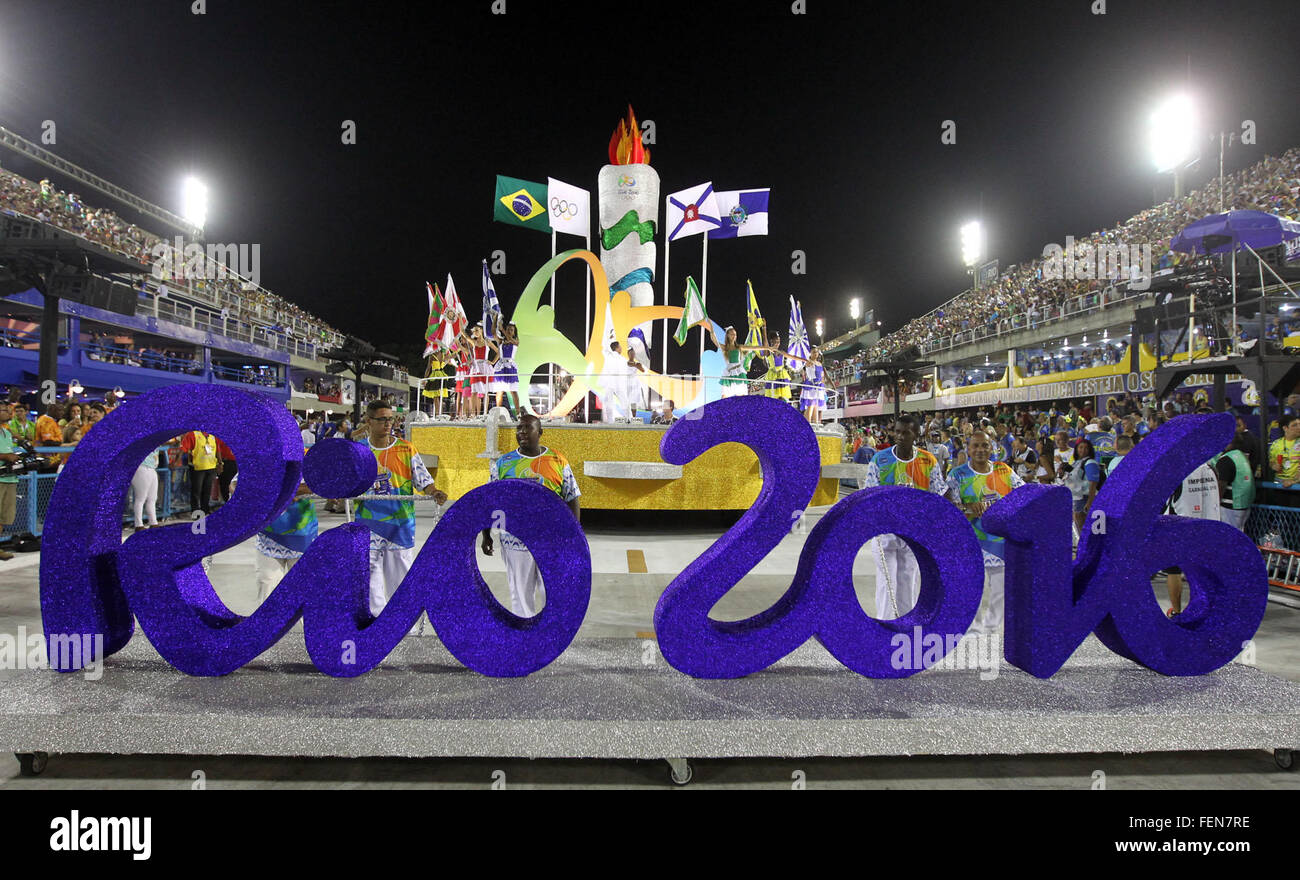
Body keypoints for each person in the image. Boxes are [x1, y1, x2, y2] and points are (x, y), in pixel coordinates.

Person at [480, 413, 581, 617]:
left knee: (552, 593)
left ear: (540, 432)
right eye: (519, 428)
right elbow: (490, 500)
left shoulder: (557, 461)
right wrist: (486, 534)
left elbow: (572, 498)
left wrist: (574, 536)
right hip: (515, 540)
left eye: (528, 428)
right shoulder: (503, 464)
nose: (522, 432)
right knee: (520, 597)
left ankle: (550, 637)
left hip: (550, 541)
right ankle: (525, 643)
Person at [353, 401, 446, 617]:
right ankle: (375, 625)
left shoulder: (406, 448)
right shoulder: (360, 451)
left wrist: (434, 491)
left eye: (390, 418)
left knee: (401, 581)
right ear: (369, 422)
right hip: (368, 526)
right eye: (382, 419)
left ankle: (405, 627)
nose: (388, 424)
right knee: (369, 581)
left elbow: (423, 479)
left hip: (400, 526)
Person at [863, 415, 947, 619]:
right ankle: (885, 627)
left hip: (915, 535)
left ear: (916, 434)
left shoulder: (928, 461)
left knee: (908, 581)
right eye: (897, 431)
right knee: (888, 582)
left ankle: (906, 626)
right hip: (886, 533)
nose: (900, 436)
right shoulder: (880, 460)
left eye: (905, 432)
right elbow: (869, 497)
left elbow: (937, 497)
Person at [946, 430, 1025, 635]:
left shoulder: (1004, 471)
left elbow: (1022, 497)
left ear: (992, 448)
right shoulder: (957, 475)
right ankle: (973, 628)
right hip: (971, 541)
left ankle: (990, 629)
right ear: (968, 449)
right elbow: (949, 508)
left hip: (1000, 542)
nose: (980, 450)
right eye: (976, 446)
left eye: (985, 446)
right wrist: (969, 506)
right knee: (973, 588)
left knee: (1000, 589)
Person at [1164, 449, 1222, 617]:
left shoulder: (1178, 473)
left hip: (1180, 528)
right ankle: (1203, 611)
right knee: (1200, 572)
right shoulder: (1211, 469)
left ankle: (1176, 611)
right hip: (1207, 527)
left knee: (1174, 571)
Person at [254, 464, 319, 602]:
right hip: (269, 539)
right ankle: (268, 623)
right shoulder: (261, 461)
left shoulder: (306, 461)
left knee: (304, 592)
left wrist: (284, 490)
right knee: (266, 587)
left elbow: (317, 484)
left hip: (303, 539)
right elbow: (236, 483)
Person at [1216, 432, 1255, 532]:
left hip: (1230, 506)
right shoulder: (1241, 456)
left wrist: (1214, 504)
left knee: (1228, 537)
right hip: (1244, 505)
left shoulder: (1226, 459)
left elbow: (1221, 485)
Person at [180, 429, 221, 516]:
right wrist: (177, 461)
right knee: (196, 491)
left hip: (211, 467)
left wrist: (220, 463)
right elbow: (183, 448)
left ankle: (205, 510)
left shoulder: (213, 436)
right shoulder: (192, 434)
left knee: (207, 490)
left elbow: (217, 450)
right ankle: (195, 512)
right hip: (197, 468)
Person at [1066, 438, 1101, 533]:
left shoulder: (1090, 463)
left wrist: (1090, 501)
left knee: (1082, 525)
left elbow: (1093, 483)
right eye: (1081, 447)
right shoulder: (1077, 462)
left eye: (1086, 448)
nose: (1083, 450)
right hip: (1077, 497)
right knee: (1078, 524)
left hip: (1085, 497)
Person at [0, 402, 20, 559]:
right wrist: (5, 457)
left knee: (3, 517)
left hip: (10, 478)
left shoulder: (7, 433)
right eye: (4, 410)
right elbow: (5, 454)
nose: (8, 413)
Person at [130, 443, 166, 531]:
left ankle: (153, 522)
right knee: (141, 498)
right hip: (142, 467)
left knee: (152, 498)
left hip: (152, 468)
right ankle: (138, 525)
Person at [491, 322, 522, 415]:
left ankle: (518, 414)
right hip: (501, 367)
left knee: (514, 391)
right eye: (508, 329)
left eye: (511, 330)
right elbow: (493, 332)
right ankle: (498, 413)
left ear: (514, 332)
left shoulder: (516, 342)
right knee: (499, 392)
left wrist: (502, 329)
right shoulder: (501, 341)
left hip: (510, 366)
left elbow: (509, 338)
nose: (509, 331)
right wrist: (495, 317)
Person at [761, 332, 793, 403]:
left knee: (784, 399)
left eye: (778, 342)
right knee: (774, 398)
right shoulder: (768, 352)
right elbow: (765, 343)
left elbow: (792, 357)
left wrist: (804, 360)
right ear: (771, 341)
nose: (777, 343)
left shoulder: (781, 352)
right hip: (773, 376)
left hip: (782, 376)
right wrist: (764, 329)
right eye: (775, 342)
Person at [1269, 414, 1300, 487]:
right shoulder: (1276, 444)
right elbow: (1271, 461)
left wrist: (1293, 481)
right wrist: (1273, 466)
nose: (1299, 427)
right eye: (1294, 425)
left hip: (1296, 484)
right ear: (1285, 428)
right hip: (1279, 483)